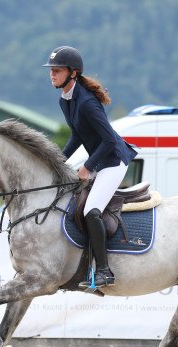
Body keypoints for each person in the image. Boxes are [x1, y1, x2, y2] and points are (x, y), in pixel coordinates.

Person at [44, 46, 137, 288]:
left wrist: (87, 167)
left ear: (73, 73)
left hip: (113, 160)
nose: (52, 74)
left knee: (91, 211)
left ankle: (105, 272)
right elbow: (77, 135)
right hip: (99, 159)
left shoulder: (86, 102)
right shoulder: (66, 100)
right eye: (51, 70)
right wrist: (58, 162)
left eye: (57, 70)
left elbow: (108, 140)